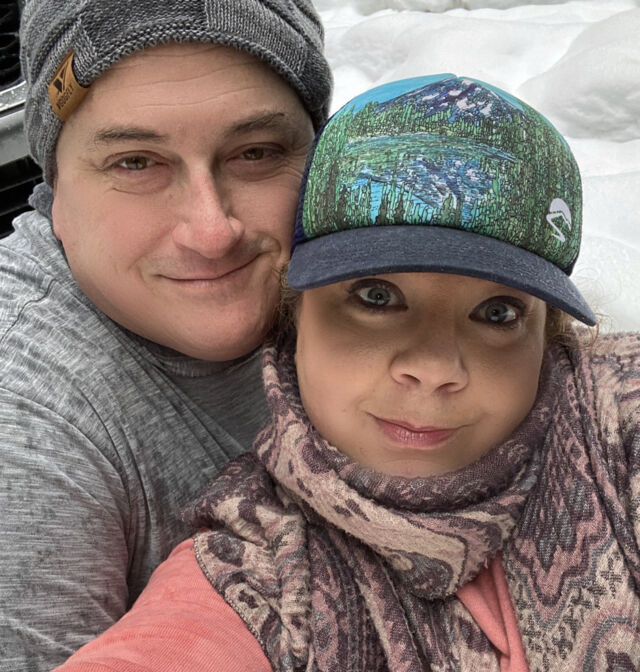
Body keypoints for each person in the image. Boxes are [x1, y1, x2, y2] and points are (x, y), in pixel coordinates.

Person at [54, 75, 640, 671]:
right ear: (295, 314)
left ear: (547, 333)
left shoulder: (617, 417)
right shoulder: (255, 570)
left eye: (497, 313)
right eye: (377, 297)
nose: (434, 370)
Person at [0, 1, 332, 669]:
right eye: (135, 163)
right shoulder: (25, 431)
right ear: (55, 187)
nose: (212, 233)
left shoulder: (374, 267)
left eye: (256, 152)